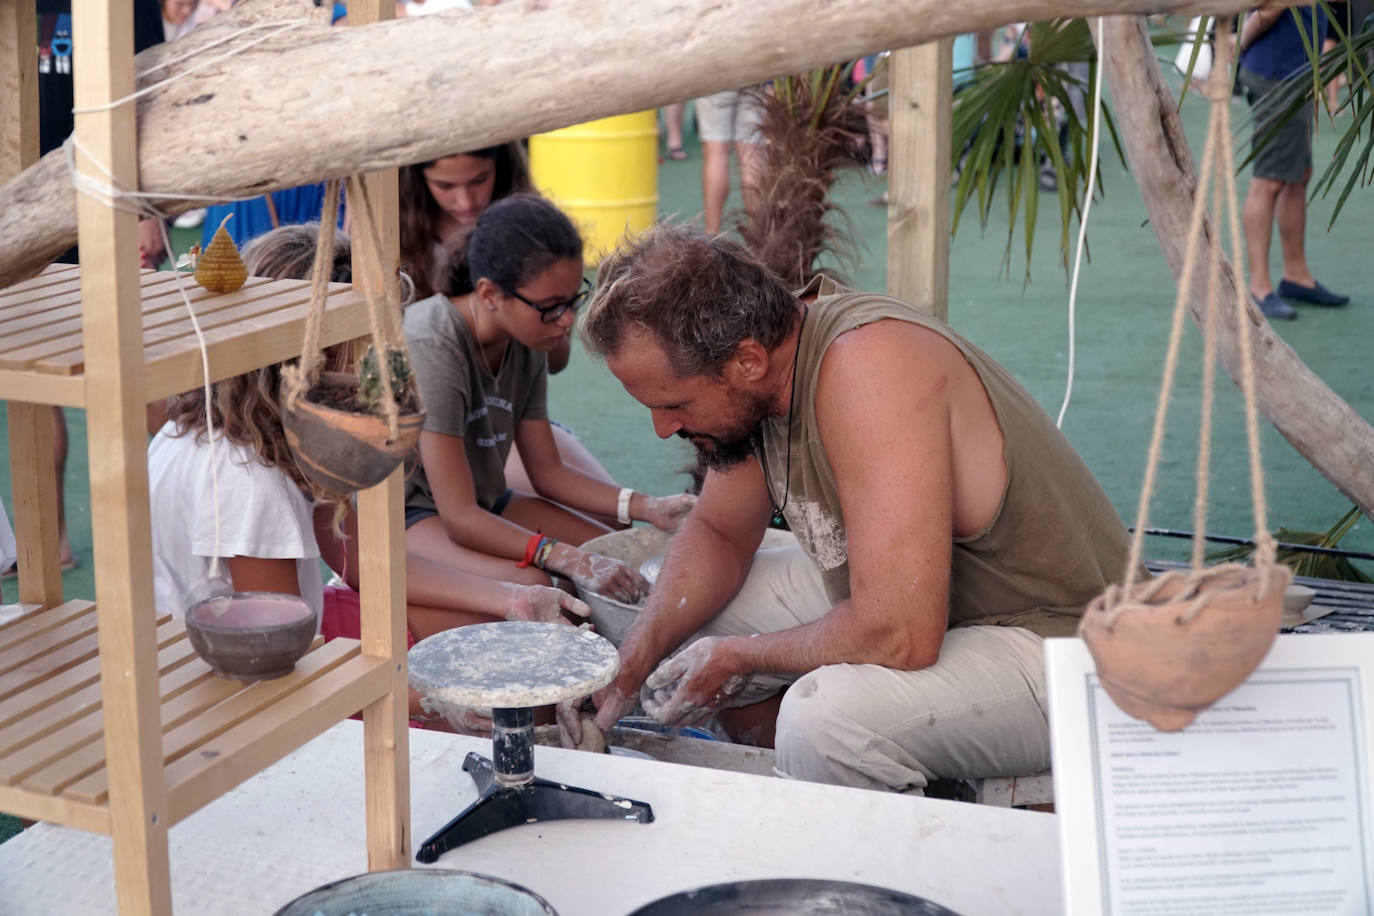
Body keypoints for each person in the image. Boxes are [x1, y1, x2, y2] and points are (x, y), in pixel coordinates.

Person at [579, 226, 1134, 794]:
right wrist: (633, 659)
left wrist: (741, 657)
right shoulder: (767, 366)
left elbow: (899, 632)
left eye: (675, 404)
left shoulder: (868, 367)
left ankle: (888, 828)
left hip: (1069, 644)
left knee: (825, 722)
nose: (663, 427)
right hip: (943, 606)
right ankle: (805, 785)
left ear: (745, 361)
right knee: (694, 618)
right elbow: (720, 533)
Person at [147, 222, 590, 729]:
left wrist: (511, 599)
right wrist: (438, 701)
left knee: (494, 635)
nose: (381, 373)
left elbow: (359, 561)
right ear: (298, 358)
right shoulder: (251, 482)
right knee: (503, 691)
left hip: (278, 643)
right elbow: (276, 669)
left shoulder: (230, 431)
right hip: (227, 701)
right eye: (365, 353)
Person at [402, 195, 695, 605]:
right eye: (551, 307)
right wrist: (562, 557)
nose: (567, 320)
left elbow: (548, 472)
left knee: (614, 550)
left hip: (488, 501)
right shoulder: (432, 341)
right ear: (489, 294)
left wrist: (651, 507)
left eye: (574, 299)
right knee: (535, 585)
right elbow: (459, 516)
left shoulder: (525, 333)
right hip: (414, 515)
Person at [398, 143, 619, 506]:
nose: (466, 201)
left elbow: (555, 362)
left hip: (505, 419)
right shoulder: (401, 239)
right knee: (480, 508)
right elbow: (460, 512)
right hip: (437, 435)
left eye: (480, 180)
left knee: (611, 517)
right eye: (445, 186)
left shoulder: (535, 235)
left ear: (501, 169)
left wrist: (541, 313)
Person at [1239, 3, 1349, 320]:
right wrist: (1240, 44)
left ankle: (1296, 276)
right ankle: (1259, 288)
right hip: (1277, 76)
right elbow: (1269, 11)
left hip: (1297, 73)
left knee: (1299, 174)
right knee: (1270, 180)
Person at [694, 87, 765, 234]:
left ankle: (712, 234)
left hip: (716, 77)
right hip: (756, 75)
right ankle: (758, 235)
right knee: (752, 153)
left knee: (716, 152)